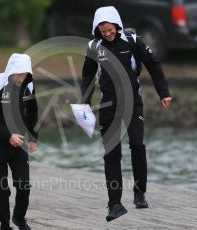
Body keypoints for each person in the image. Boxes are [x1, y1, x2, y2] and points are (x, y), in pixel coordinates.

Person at [80, 6, 172, 222]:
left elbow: (153, 63)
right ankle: (115, 204)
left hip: (133, 103)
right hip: (108, 106)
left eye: (110, 30)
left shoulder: (132, 40)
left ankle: (139, 193)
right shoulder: (94, 46)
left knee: (137, 145)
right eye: (103, 31)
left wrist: (163, 92)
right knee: (111, 153)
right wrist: (84, 103)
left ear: (116, 25)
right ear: (97, 30)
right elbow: (87, 76)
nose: (108, 34)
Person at [0, 53, 38, 230]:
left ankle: (19, 218)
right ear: (11, 71)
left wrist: (34, 137)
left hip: (19, 143)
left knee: (24, 187)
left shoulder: (29, 85)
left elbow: (33, 111)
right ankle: (5, 226)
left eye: (24, 74)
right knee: (2, 191)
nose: (21, 78)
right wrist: (8, 136)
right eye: (18, 74)